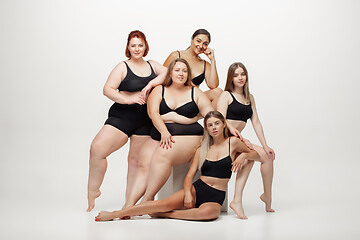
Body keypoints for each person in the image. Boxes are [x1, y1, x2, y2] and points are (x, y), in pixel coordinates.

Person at [95, 111, 260, 221]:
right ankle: (115, 214)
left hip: (216, 195)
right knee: (161, 203)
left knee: (210, 213)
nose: (214, 127)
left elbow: (257, 155)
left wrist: (245, 155)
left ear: (223, 124)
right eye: (210, 125)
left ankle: (168, 215)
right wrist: (188, 194)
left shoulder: (234, 143)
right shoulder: (202, 149)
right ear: (207, 129)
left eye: (217, 123)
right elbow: (189, 176)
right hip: (197, 189)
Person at [87, 30, 167, 212]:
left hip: (145, 121)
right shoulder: (122, 67)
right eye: (133, 45)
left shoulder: (153, 65)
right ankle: (93, 190)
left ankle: (127, 207)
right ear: (128, 48)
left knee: (136, 162)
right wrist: (128, 98)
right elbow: (108, 89)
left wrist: (151, 84)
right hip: (122, 117)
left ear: (145, 46)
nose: (137, 49)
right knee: (97, 149)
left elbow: (169, 72)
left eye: (140, 45)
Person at [122, 58, 213, 209]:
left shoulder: (195, 92)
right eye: (177, 70)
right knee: (144, 162)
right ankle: (128, 205)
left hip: (188, 137)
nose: (181, 73)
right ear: (170, 72)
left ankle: (147, 200)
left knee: (162, 154)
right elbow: (153, 113)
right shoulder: (159, 90)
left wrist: (196, 118)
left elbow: (211, 114)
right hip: (162, 134)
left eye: (184, 71)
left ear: (188, 74)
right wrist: (164, 131)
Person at [217, 62, 276, 219]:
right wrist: (235, 132)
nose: (240, 78)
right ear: (231, 78)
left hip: (238, 140)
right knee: (248, 159)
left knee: (268, 156)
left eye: (242, 74)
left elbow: (256, 122)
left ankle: (267, 197)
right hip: (224, 138)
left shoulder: (250, 98)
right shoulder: (226, 95)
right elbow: (220, 117)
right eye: (236, 75)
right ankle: (237, 200)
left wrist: (265, 145)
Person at [163, 29, 222, 107]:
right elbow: (162, 76)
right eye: (198, 41)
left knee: (218, 92)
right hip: (173, 97)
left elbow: (213, 85)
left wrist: (212, 60)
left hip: (191, 100)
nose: (201, 46)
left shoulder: (204, 64)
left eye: (205, 44)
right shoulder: (176, 55)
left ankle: (206, 118)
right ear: (191, 39)